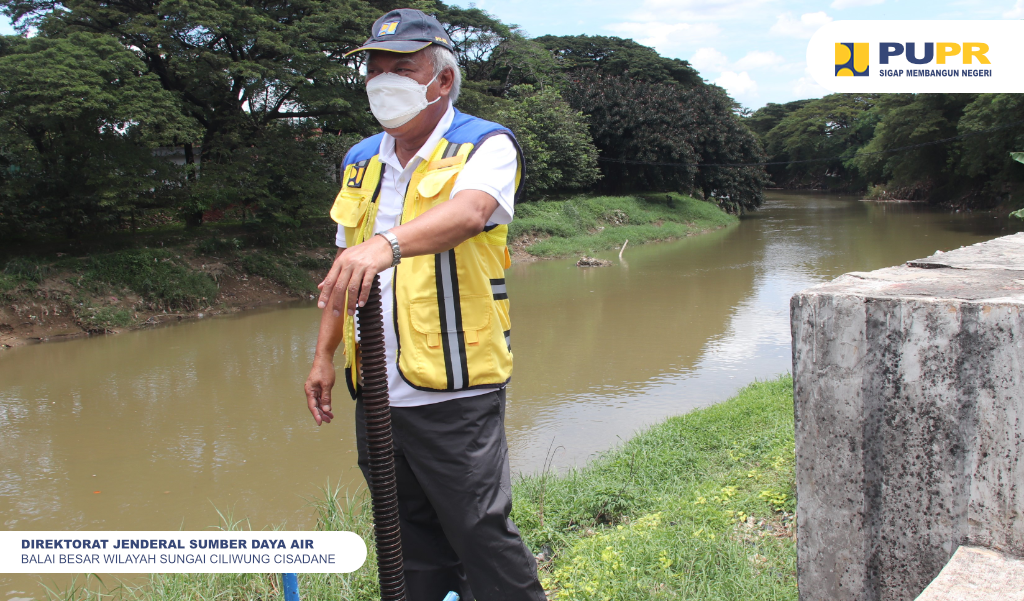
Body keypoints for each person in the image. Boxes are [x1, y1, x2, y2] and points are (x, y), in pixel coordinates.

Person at [302, 8, 546, 601]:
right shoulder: (360, 159)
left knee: (479, 530)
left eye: (402, 69)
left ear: (441, 80)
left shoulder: (484, 144)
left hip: (455, 387)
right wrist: (321, 360)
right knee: (405, 537)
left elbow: (466, 215)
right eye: (375, 69)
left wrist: (384, 246)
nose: (384, 81)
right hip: (379, 390)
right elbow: (342, 272)